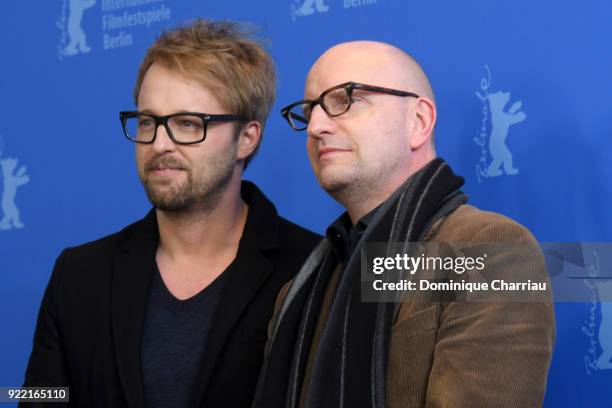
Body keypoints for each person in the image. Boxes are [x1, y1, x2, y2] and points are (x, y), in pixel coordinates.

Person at [23, 20, 320, 408]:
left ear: (247, 137)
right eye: (148, 121)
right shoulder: (78, 274)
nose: (159, 143)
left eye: (187, 123)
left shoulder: (313, 270)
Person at [253, 41, 555, 408]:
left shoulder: (492, 252)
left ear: (419, 122)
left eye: (344, 99)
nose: (315, 126)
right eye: (309, 110)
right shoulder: (303, 286)